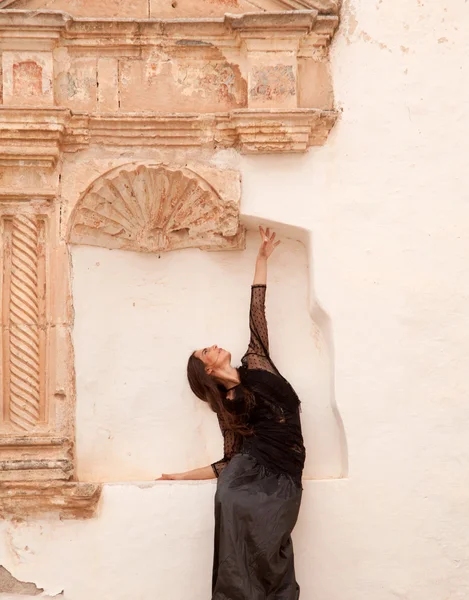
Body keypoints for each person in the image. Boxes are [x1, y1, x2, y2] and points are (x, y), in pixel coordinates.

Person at [159, 226, 306, 600]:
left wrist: (261, 259)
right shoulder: (229, 404)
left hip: (284, 475)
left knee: (272, 549)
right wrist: (178, 476)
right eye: (205, 353)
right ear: (208, 370)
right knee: (233, 510)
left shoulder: (256, 361)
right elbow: (228, 461)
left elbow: (257, 311)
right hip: (249, 473)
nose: (212, 347)